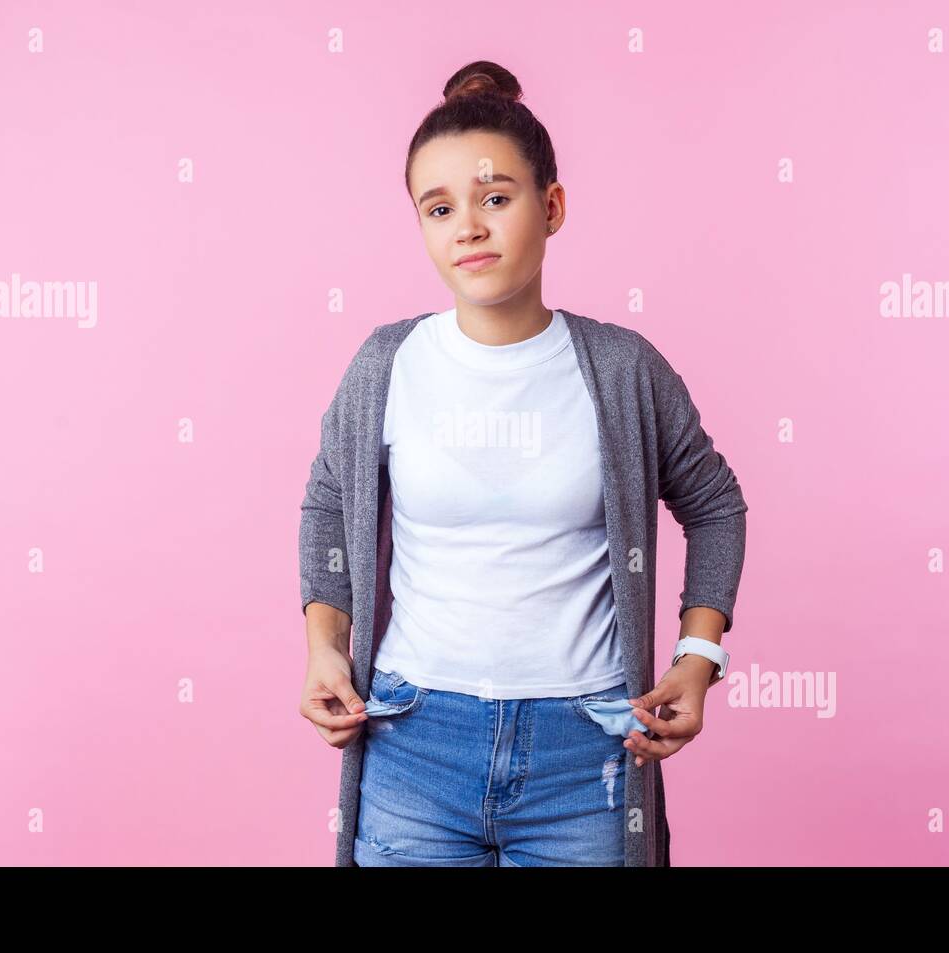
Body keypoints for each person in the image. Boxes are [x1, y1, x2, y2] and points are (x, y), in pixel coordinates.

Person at [299, 60, 748, 867]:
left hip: (588, 757)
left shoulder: (622, 370)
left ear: (552, 207)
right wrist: (325, 646)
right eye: (439, 209)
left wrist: (699, 657)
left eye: (494, 198)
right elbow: (328, 505)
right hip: (413, 744)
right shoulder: (385, 366)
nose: (467, 227)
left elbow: (715, 505)